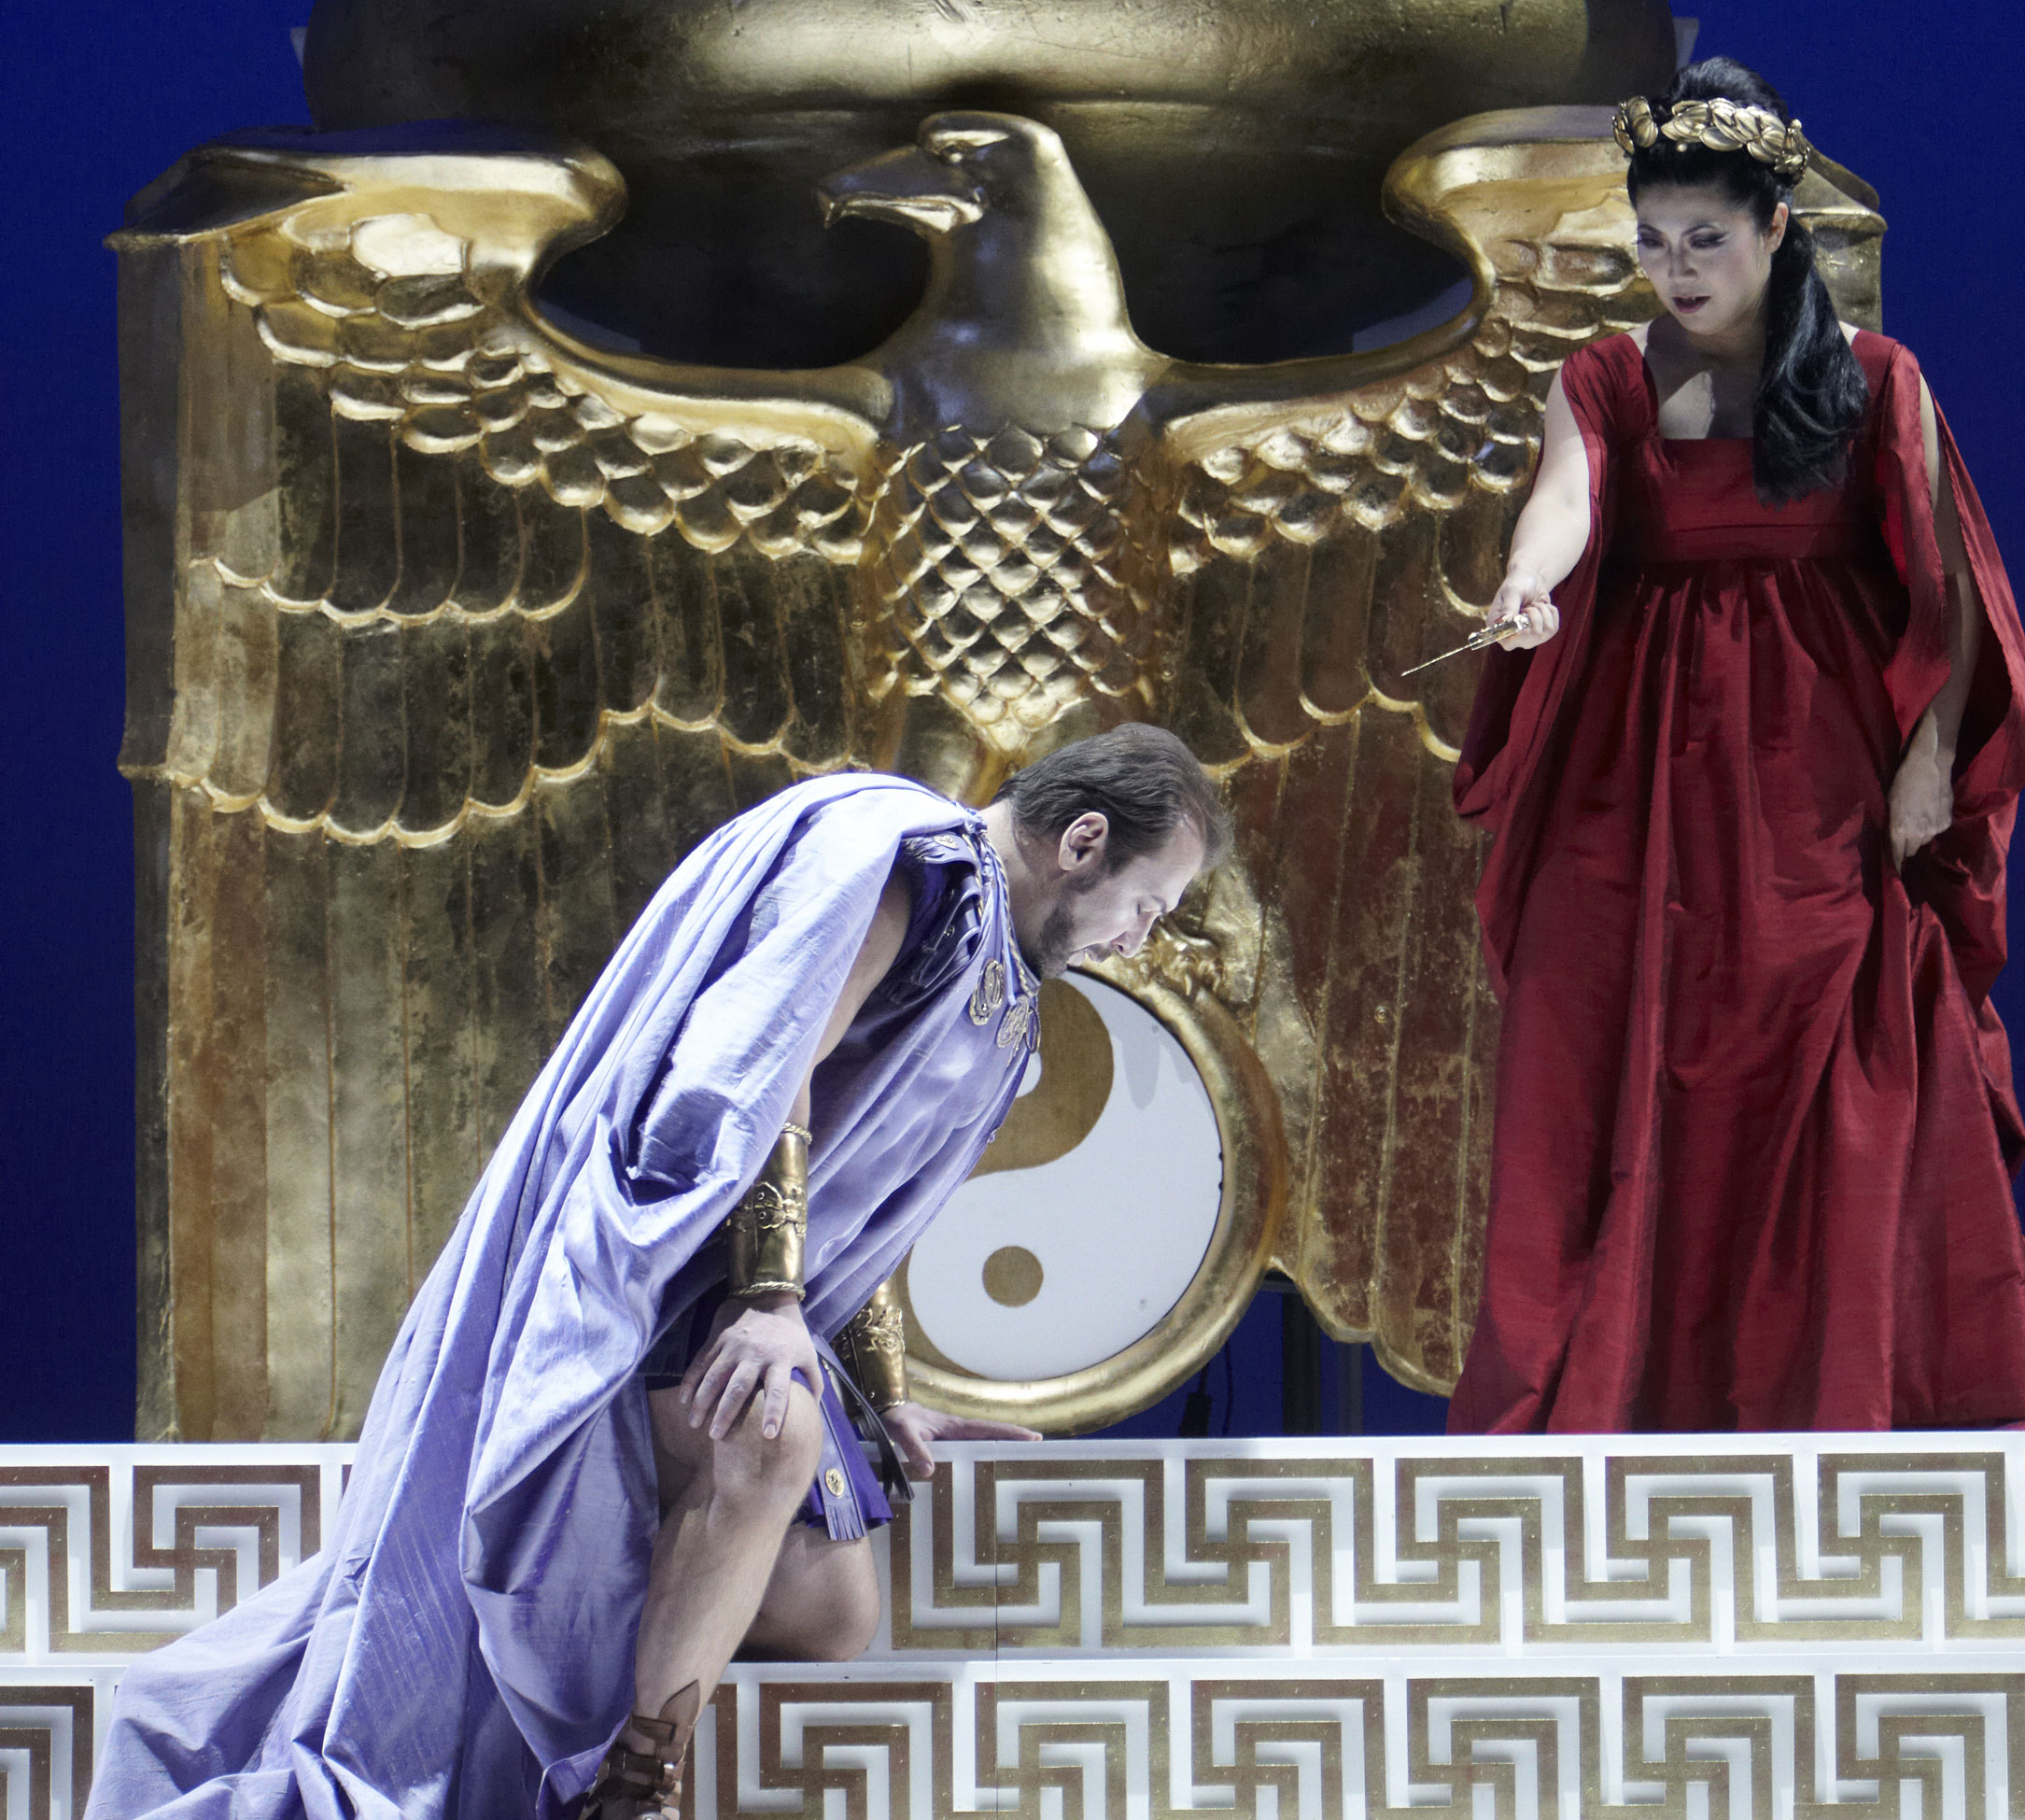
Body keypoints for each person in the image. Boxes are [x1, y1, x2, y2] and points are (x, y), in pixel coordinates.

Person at [88, 729, 1229, 1820]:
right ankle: (633, 1777)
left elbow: (859, 1203)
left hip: (752, 1301)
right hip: (659, 1279)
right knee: (773, 1430)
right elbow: (770, 1063)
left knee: (836, 1614)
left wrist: (883, 1398)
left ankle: (578, 1592)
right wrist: (771, 1302)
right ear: (1083, 839)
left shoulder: (1010, 991)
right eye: (1150, 903)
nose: (1141, 935)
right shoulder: (911, 865)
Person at [1448, 59, 2025, 1434]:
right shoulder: (1604, 373)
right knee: (1613, 1032)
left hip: (1815, 763)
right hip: (1634, 760)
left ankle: (1835, 1385)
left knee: (1829, 1041)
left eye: (1704, 236)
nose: (1674, 268)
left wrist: (1926, 763)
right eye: (1652, 239)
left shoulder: (1876, 377)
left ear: (1773, 226)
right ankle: (1634, 1399)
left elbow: (1947, 584)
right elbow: (1566, 499)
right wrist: (1526, 579)